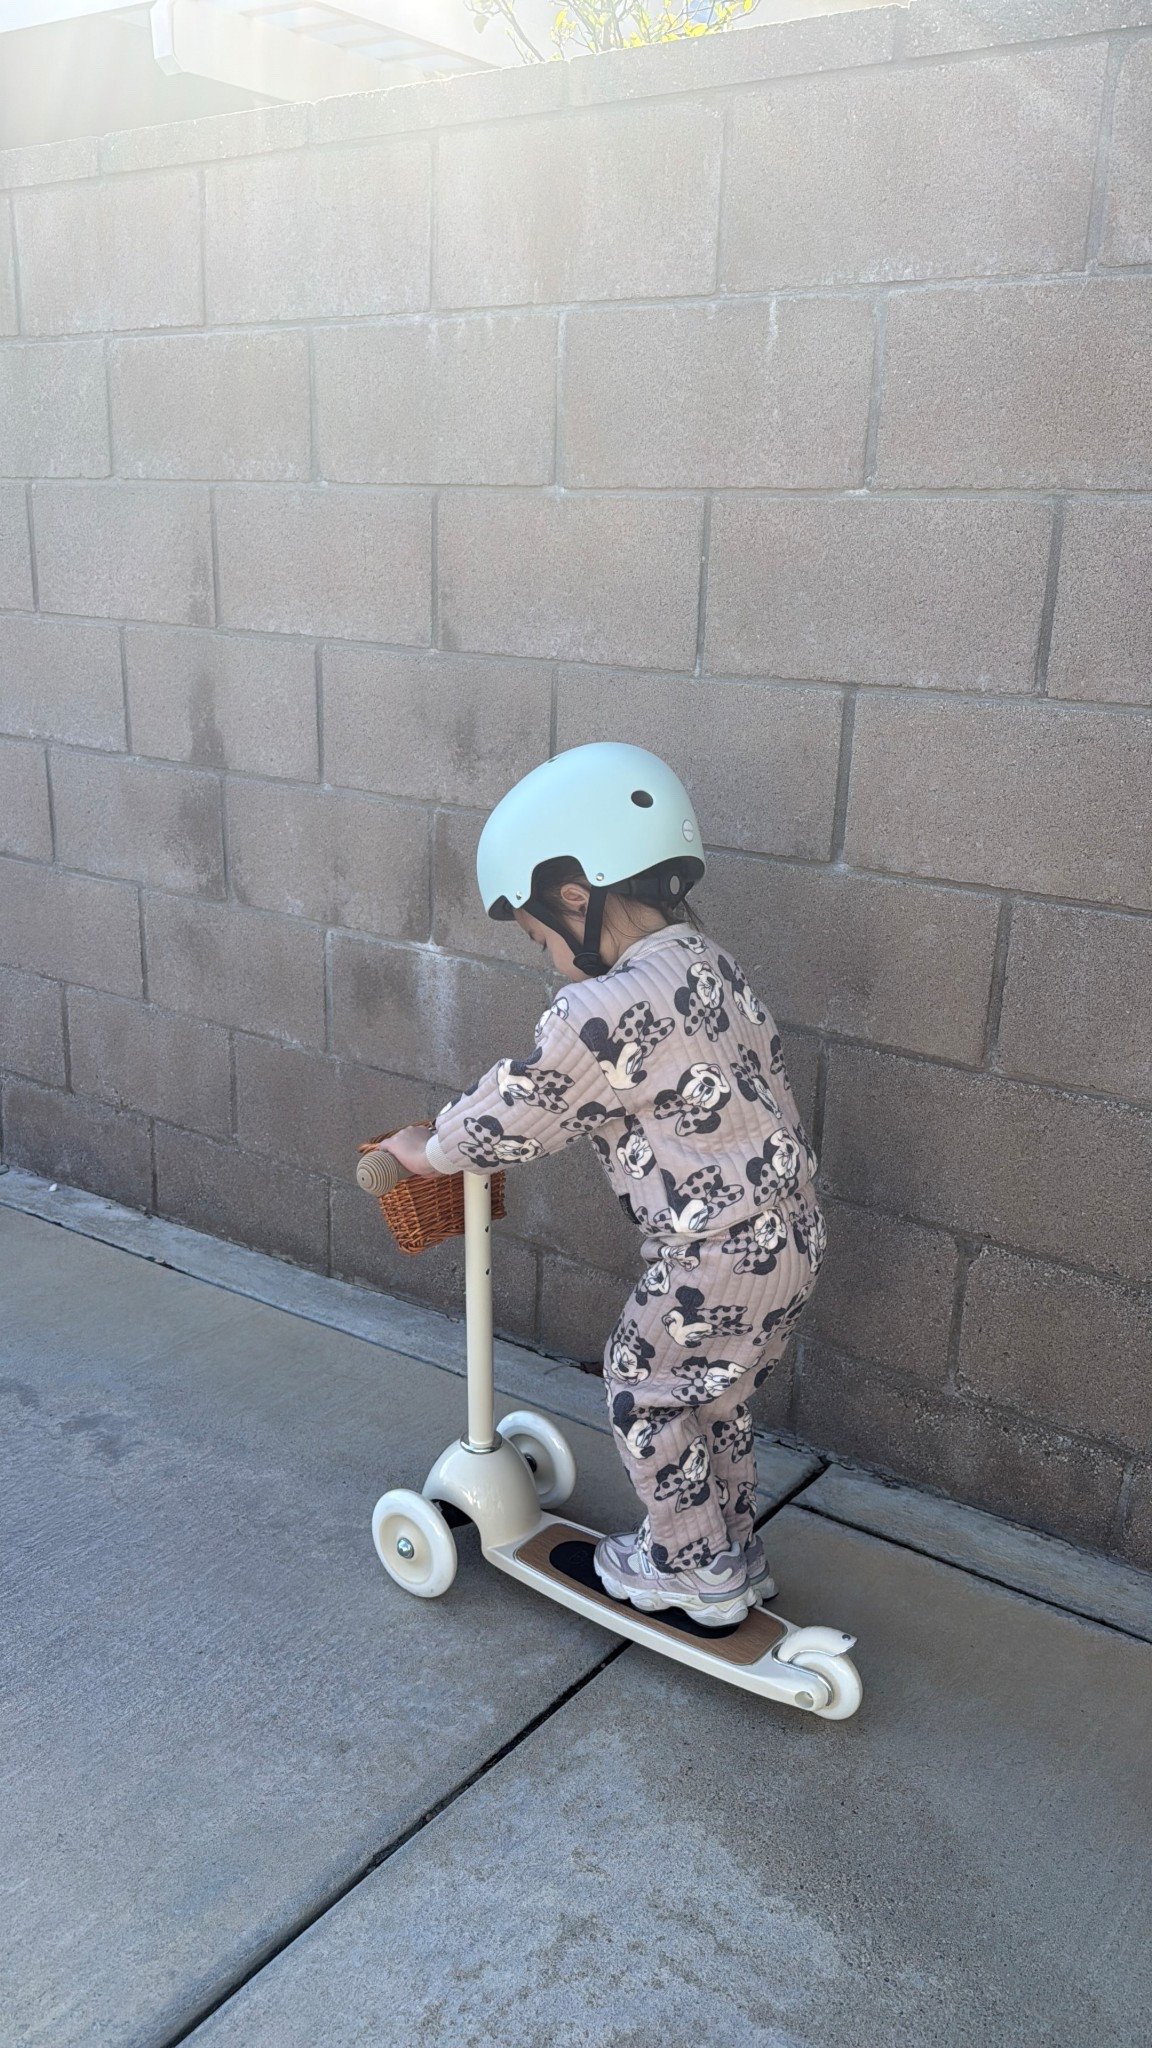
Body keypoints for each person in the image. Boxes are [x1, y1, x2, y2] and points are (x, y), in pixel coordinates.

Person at [382, 742, 825, 1627]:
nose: (550, 957)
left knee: (642, 1385)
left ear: (574, 896)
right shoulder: (707, 963)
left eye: (542, 937)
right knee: (713, 1399)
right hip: (792, 1235)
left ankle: (687, 1568)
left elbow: (525, 1102)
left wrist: (431, 1150)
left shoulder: (602, 1008)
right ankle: (730, 1550)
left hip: (714, 1249)